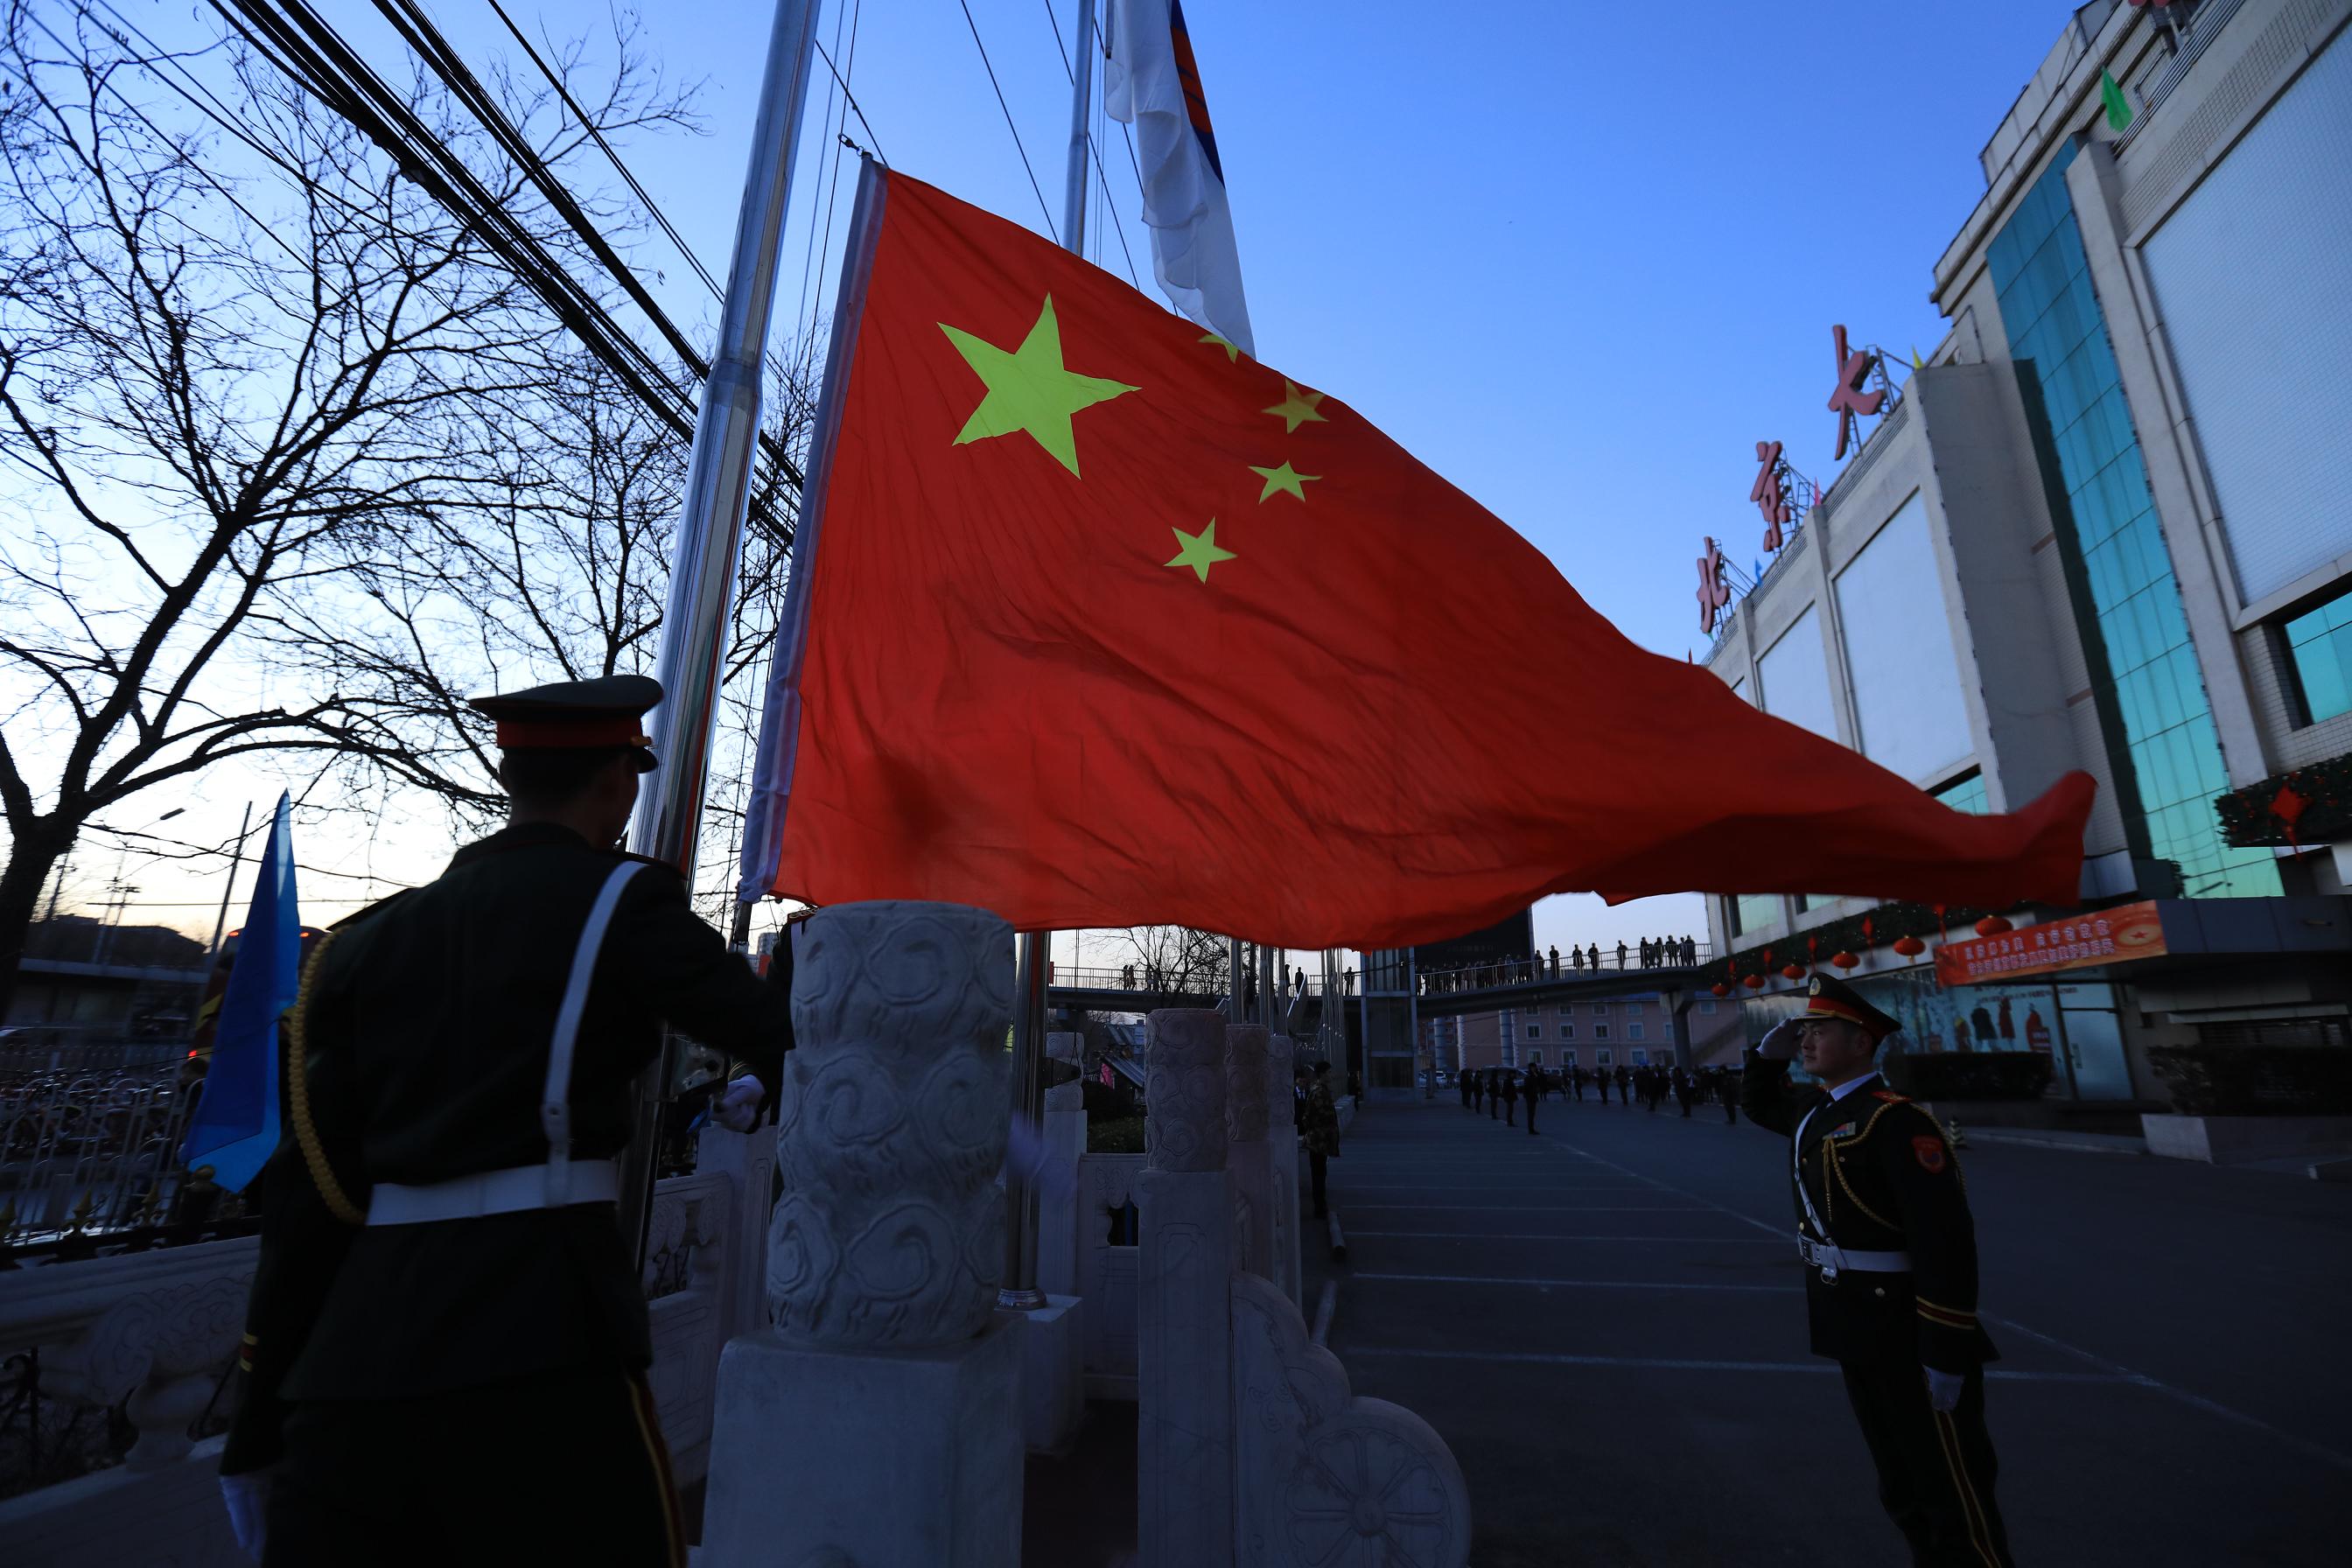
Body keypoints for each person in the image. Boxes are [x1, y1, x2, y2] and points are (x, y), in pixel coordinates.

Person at [216, 675, 791, 1567]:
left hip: (350, 1366)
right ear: (620, 781)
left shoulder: (358, 943)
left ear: (505, 775)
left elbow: (306, 1203)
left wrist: (257, 1422)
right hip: (543, 1331)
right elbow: (779, 1032)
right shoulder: (621, 901)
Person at [1745, 976, 2011, 1566]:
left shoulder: (1896, 1122)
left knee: (1951, 1493)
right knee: (1902, 1485)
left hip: (1906, 1330)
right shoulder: (1821, 1111)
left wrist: (1944, 1348)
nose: (1806, 1042)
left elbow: (1944, 1242)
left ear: (1861, 1042)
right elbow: (1760, 1106)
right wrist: (1764, 1059)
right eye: (1803, 1032)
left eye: (1818, 1031)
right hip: (1854, 1325)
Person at [1301, 1061, 1341, 1219]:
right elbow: (1309, 1117)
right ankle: (1319, 1207)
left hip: (1321, 1140)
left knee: (1320, 1173)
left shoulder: (1321, 1090)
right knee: (1318, 1174)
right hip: (1318, 1141)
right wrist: (1320, 1131)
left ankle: (1321, 1205)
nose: (1331, 1075)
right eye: (1329, 1072)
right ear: (1322, 1074)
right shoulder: (1319, 1092)